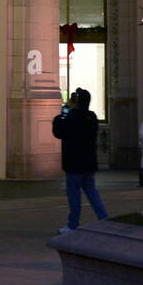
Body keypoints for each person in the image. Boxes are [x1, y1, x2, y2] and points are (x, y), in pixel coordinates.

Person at [52, 88, 109, 233]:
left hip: (74, 163)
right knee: (91, 191)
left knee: (74, 195)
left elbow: (58, 132)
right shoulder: (92, 116)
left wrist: (63, 113)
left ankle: (73, 224)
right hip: (89, 162)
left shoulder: (71, 117)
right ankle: (104, 219)